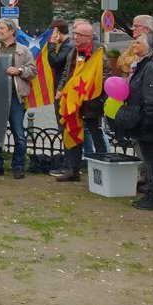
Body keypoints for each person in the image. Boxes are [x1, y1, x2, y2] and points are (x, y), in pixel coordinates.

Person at [52, 20, 107, 183]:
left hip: (92, 101)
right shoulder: (73, 51)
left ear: (88, 37)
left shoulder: (99, 51)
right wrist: (61, 89)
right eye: (74, 34)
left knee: (96, 133)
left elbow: (105, 75)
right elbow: (67, 74)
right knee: (72, 131)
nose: (74, 37)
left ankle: (103, 167)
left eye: (79, 35)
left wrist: (90, 91)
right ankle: (73, 169)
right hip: (73, 100)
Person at [123, 32, 153, 209]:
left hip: (147, 120)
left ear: (149, 46)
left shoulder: (151, 66)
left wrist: (148, 120)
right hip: (143, 117)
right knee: (148, 157)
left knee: (151, 158)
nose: (134, 44)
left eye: (138, 42)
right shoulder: (143, 64)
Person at [0, 19, 36, 180]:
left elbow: (33, 71)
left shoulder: (23, 50)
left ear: (11, 31)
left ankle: (18, 166)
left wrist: (19, 70)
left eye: (2, 29)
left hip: (15, 98)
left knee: (18, 134)